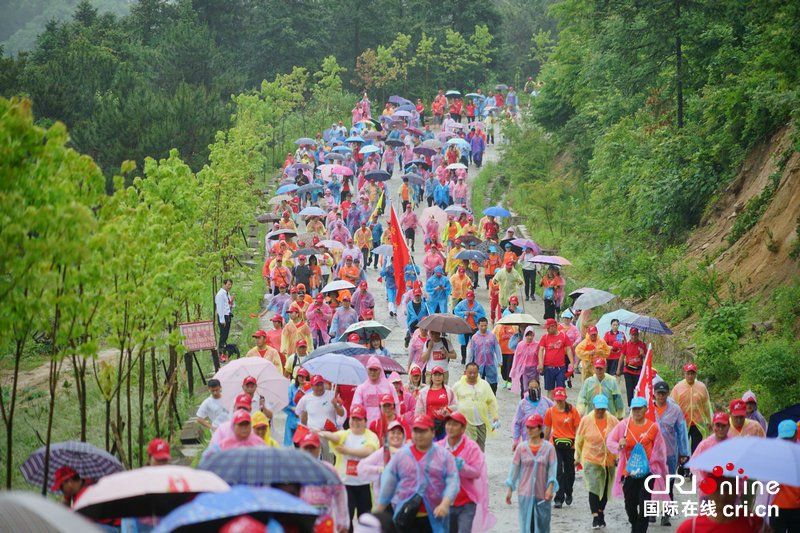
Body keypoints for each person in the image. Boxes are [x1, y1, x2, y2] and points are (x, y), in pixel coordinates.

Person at [375, 414, 460, 533]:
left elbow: (452, 482)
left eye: (423, 431)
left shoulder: (443, 455)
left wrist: (445, 504)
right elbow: (389, 484)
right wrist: (378, 511)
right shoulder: (402, 455)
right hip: (407, 516)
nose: (419, 435)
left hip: (435, 517)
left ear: (433, 432)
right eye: (416, 431)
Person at [606, 397, 669, 533]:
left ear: (646, 409)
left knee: (645, 505)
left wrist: (660, 469)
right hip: (628, 472)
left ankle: (640, 530)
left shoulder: (653, 427)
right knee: (630, 506)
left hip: (648, 473)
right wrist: (619, 445)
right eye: (634, 408)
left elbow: (660, 450)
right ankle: (635, 526)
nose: (636, 411)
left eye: (639, 408)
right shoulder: (624, 425)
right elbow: (610, 441)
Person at [316, 405, 379, 529]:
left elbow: (369, 451)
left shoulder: (371, 436)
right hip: (346, 485)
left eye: (359, 419)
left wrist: (348, 451)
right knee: (346, 520)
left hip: (364, 484)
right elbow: (335, 437)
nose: (355, 422)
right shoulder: (345, 434)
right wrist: (322, 433)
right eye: (353, 419)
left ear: (365, 421)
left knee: (365, 519)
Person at [438, 412, 496, 533]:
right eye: (448, 424)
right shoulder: (439, 447)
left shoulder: (472, 448)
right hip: (444, 501)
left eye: (454, 425)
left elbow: (477, 472)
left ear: (463, 428)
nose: (450, 427)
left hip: (466, 501)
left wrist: (462, 467)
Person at [505, 414, 558, 533]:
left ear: (540, 429)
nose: (529, 430)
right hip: (525, 493)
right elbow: (514, 469)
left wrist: (550, 488)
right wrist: (509, 489)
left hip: (542, 494)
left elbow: (552, 470)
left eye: (532, 428)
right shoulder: (521, 448)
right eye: (527, 427)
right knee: (527, 526)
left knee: (542, 526)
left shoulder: (549, 448)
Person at [574, 394, 620, 529]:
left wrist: (619, 457)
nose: (600, 411)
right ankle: (595, 516)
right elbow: (579, 440)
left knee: (605, 489)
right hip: (591, 459)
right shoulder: (586, 420)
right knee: (594, 487)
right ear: (593, 407)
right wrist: (577, 457)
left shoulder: (612, 420)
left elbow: (619, 438)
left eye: (603, 409)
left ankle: (600, 512)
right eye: (598, 408)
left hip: (608, 459)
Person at [651, 380, 689, 526]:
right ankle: (652, 512)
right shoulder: (648, 409)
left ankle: (666, 514)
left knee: (668, 484)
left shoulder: (675, 410)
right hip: (652, 455)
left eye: (663, 393)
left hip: (670, 454)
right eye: (658, 393)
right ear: (654, 394)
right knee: (651, 483)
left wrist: (684, 452)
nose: (661, 396)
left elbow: (681, 432)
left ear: (667, 394)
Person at [297, 432, 351, 533]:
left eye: (312, 448)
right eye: (306, 448)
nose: (309, 451)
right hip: (301, 522)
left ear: (319, 449)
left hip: (324, 523)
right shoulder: (294, 470)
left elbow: (340, 495)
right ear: (300, 448)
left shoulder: (328, 469)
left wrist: (342, 523)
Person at [543, 387, 581, 509]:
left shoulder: (572, 411)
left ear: (565, 398)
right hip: (555, 444)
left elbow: (578, 429)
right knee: (558, 471)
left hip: (571, 445)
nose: (559, 402)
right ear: (554, 399)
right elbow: (548, 428)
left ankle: (568, 492)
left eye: (561, 400)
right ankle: (558, 498)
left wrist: (579, 446)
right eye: (557, 400)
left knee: (570, 472)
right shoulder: (550, 411)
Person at [296, 375, 347, 461]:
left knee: (329, 461)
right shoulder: (306, 399)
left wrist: (335, 405)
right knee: (313, 460)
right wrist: (304, 412)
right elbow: (303, 421)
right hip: (313, 433)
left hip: (328, 433)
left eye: (321, 384)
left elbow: (342, 413)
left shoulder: (332, 395)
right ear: (311, 386)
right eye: (316, 385)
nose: (319, 387)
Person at [452, 362, 499, 452]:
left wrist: (495, 416)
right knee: (466, 449)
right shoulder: (458, 386)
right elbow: (451, 401)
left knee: (480, 449)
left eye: (475, 373)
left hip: (481, 423)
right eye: (470, 373)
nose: (472, 375)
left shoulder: (484, 385)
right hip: (464, 424)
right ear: (465, 372)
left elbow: (491, 401)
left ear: (478, 373)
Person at [670, 362, 713, 458]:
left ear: (695, 374)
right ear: (684, 374)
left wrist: (710, 421)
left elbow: (706, 405)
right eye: (688, 373)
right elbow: (671, 406)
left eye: (692, 374)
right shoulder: (677, 388)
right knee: (682, 449)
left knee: (697, 449)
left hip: (698, 423)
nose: (690, 376)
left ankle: (695, 468)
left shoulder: (701, 388)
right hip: (682, 423)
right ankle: (683, 469)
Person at [357, 420, 408, 497]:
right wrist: (379, 469)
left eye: (399, 433)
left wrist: (398, 452)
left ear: (403, 436)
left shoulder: (407, 452)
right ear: (387, 435)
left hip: (402, 499)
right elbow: (361, 467)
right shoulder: (382, 452)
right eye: (393, 433)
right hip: (383, 499)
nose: (396, 435)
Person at [769, 420, 800, 533]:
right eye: (784, 438)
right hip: (776, 505)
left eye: (789, 437)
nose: (787, 441)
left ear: (796, 434)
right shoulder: (772, 451)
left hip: (796, 506)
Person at [351, 356, 401, 426]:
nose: (372, 373)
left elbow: (396, 406)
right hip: (367, 427)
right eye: (370, 370)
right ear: (367, 370)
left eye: (375, 370)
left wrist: (396, 423)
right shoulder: (361, 388)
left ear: (380, 370)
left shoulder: (389, 387)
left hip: (387, 426)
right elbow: (355, 408)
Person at [415, 366, 457, 440]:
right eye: (435, 375)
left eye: (439, 375)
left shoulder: (449, 391)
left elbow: (456, 407)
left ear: (443, 376)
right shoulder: (424, 392)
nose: (437, 377)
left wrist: (447, 409)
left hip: (445, 426)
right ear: (431, 377)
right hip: (429, 426)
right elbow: (419, 410)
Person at [537, 318, 575, 399]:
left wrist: (572, 362)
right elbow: (541, 349)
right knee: (550, 389)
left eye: (549, 328)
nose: (547, 330)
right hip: (548, 367)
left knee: (560, 389)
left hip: (560, 367)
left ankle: (560, 408)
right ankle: (550, 407)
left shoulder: (563, 336)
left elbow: (568, 349)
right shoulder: (545, 337)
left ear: (554, 327)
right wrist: (540, 363)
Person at [511, 379, 554, 451]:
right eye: (531, 388)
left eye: (536, 388)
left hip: (544, 440)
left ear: (539, 388)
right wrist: (516, 440)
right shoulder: (523, 404)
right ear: (528, 389)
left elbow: (556, 414)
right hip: (528, 440)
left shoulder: (547, 402)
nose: (534, 390)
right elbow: (517, 423)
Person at [689, 412, 731, 481]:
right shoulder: (705, 445)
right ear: (713, 426)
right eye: (718, 426)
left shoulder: (733, 444)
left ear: (729, 426)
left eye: (723, 426)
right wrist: (700, 479)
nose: (720, 429)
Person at [466, 317, 501, 394]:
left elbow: (497, 348)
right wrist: (468, 364)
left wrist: (499, 360)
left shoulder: (492, 336)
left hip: (490, 363)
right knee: (478, 384)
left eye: (485, 325)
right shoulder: (475, 337)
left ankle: (492, 399)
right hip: (479, 364)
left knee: (493, 384)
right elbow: (470, 352)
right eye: (482, 326)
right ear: (478, 325)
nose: (483, 327)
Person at [616, 327, 647, 406]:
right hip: (628, 370)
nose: (634, 337)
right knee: (629, 390)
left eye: (636, 335)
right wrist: (618, 369)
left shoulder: (642, 345)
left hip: (638, 371)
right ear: (630, 335)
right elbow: (622, 357)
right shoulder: (626, 345)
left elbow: (647, 358)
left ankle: (638, 405)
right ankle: (630, 406)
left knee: (638, 390)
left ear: (638, 335)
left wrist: (643, 354)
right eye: (632, 335)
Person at [454, 291, 485, 365]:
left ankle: (474, 359)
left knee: (475, 344)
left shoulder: (478, 305)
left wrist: (476, 314)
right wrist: (463, 313)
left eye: (471, 299)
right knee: (463, 344)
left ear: (474, 298)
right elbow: (456, 311)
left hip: (474, 328)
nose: (470, 301)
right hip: (465, 327)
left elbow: (483, 314)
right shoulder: (462, 304)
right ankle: (463, 358)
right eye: (468, 300)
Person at [510, 326, 539, 399]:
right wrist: (514, 368)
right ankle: (524, 402)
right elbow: (516, 357)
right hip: (523, 370)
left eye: (531, 335)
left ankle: (534, 401)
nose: (529, 337)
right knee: (525, 387)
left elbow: (540, 357)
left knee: (534, 387)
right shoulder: (520, 345)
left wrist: (540, 366)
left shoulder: (537, 345)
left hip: (534, 370)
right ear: (525, 335)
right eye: (528, 335)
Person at [283, 367, 309, 446]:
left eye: (303, 376)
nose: (301, 378)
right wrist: (293, 408)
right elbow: (285, 403)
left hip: (306, 421)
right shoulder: (291, 389)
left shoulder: (310, 389)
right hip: (293, 420)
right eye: (300, 376)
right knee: (295, 443)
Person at [215, 278, 235, 362]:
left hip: (228, 316)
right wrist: (222, 320)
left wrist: (232, 299)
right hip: (223, 317)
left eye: (231, 285)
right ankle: (221, 353)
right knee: (223, 336)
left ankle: (223, 352)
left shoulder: (227, 293)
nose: (229, 286)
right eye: (228, 285)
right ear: (224, 284)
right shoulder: (220, 294)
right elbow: (220, 308)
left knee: (225, 335)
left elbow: (229, 305)